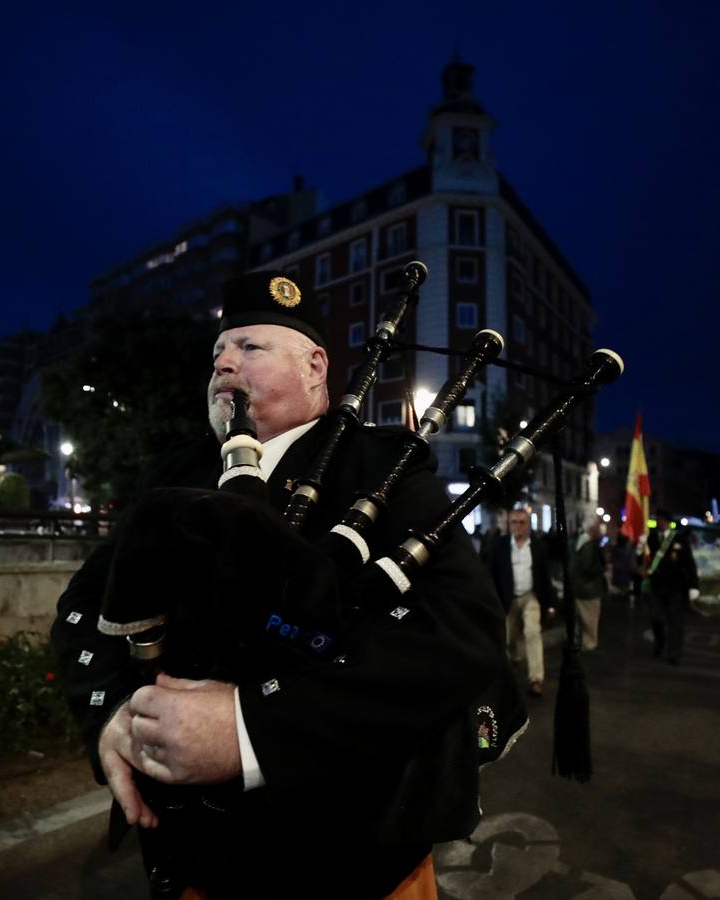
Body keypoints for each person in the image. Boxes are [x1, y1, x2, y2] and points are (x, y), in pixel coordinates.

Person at [49, 270, 503, 899]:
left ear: (316, 367)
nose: (223, 364)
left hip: (352, 863)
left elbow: (460, 635)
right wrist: (111, 715)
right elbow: (84, 605)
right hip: (188, 860)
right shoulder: (180, 470)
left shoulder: (382, 467)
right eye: (217, 352)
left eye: (249, 348)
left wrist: (249, 728)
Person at [486, 503, 557, 697]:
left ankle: (536, 679)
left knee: (533, 633)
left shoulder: (538, 546)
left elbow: (544, 576)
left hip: (531, 596)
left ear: (528, 524)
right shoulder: (499, 546)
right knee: (508, 637)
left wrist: (550, 604)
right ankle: (515, 658)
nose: (518, 526)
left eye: (522, 522)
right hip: (507, 598)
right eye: (514, 522)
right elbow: (490, 574)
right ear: (509, 524)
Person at [645, 509, 700, 665]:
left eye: (661, 520)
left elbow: (689, 563)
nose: (659, 523)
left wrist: (693, 585)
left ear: (668, 522)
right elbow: (647, 560)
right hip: (657, 586)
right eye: (657, 520)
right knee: (656, 618)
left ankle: (674, 653)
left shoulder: (680, 539)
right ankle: (660, 643)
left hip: (675, 587)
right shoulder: (652, 538)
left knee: (675, 622)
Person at [570, 515, 607, 651]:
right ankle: (589, 644)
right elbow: (588, 567)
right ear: (593, 529)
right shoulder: (590, 545)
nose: (600, 529)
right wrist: (603, 567)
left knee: (581, 620)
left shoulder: (578, 541)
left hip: (579, 587)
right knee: (590, 619)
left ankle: (580, 643)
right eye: (598, 527)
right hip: (589, 588)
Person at [609, 533, 638, 607]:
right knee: (624, 592)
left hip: (619, 572)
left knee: (620, 592)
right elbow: (631, 561)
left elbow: (612, 559)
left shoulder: (616, 548)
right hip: (625, 573)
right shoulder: (629, 548)